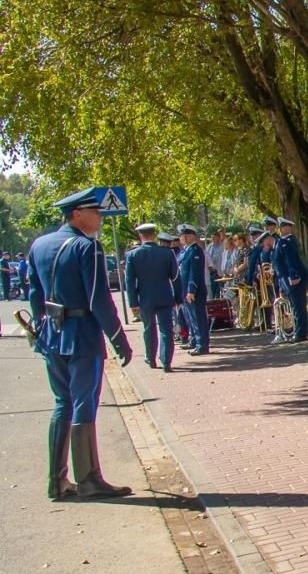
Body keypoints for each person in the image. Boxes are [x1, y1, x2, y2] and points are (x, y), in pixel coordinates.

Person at [26, 189, 135, 500]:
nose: (100, 217)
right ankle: (88, 479)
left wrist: (39, 327)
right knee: (83, 405)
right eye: (94, 211)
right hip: (82, 335)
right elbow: (99, 299)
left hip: (52, 334)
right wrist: (119, 339)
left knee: (62, 403)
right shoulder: (87, 247)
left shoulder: (39, 245)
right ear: (76, 213)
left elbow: (35, 295)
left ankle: (56, 481)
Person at [125, 221, 180, 371]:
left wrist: (133, 303)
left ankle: (150, 358)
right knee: (166, 330)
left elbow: (130, 282)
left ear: (140, 236)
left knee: (149, 329)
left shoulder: (133, 254)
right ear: (154, 235)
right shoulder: (167, 253)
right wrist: (178, 298)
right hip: (165, 297)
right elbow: (175, 277)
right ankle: (166, 361)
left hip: (145, 299)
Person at [273, 217, 308, 343]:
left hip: (292, 280)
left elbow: (291, 261)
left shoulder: (286, 242)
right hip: (286, 280)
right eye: (283, 227)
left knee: (297, 307)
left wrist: (294, 276)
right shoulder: (286, 241)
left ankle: (300, 334)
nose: (283, 229)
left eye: (285, 227)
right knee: (297, 306)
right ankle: (300, 332)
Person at [177, 224, 211, 355]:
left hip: (194, 291)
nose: (183, 238)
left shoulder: (195, 251)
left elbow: (195, 273)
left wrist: (191, 290)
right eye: (182, 235)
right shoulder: (186, 251)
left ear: (192, 236)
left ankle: (202, 344)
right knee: (191, 318)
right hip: (185, 290)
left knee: (198, 318)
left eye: (186, 235)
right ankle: (195, 340)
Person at [205, 230, 228, 299]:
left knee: (219, 291)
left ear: (218, 238)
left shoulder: (223, 246)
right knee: (211, 290)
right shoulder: (209, 246)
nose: (213, 239)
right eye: (212, 238)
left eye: (214, 238)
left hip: (219, 272)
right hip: (211, 272)